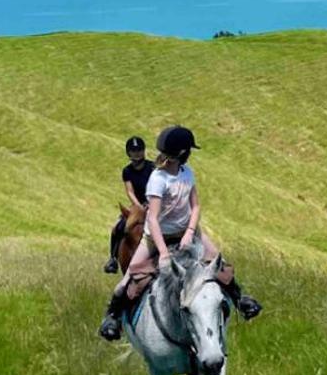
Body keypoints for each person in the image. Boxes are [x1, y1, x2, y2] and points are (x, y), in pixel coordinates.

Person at [99, 125, 262, 341]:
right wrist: (164, 253)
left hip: (187, 231)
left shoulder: (188, 173)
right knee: (128, 278)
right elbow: (154, 220)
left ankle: (241, 300)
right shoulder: (158, 179)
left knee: (219, 263)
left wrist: (190, 232)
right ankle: (113, 317)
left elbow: (195, 206)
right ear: (183, 153)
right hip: (157, 236)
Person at [105, 136, 154, 273]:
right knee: (117, 227)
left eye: (139, 150)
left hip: (153, 203)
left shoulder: (152, 167)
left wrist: (149, 203)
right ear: (128, 153)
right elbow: (129, 191)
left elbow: (156, 187)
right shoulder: (127, 171)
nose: (137, 153)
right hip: (136, 206)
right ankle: (113, 259)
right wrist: (138, 205)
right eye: (133, 150)